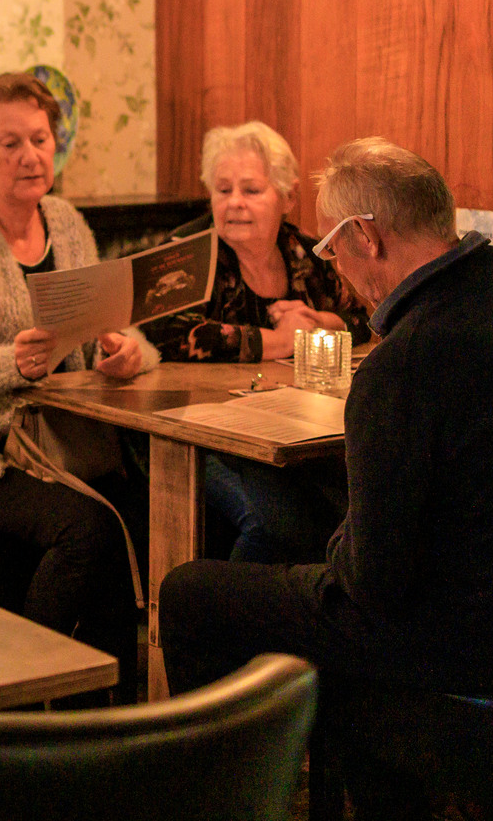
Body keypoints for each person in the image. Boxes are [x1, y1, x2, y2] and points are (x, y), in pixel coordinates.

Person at [159, 138, 493, 813]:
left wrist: (337, 547)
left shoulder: (399, 366)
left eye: (331, 249)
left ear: (365, 237)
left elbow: (372, 585)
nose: (334, 268)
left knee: (192, 592)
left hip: (464, 648)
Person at [0, 72, 154, 696]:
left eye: (39, 139)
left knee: (144, 512)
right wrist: (12, 363)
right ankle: (16, 693)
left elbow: (109, 329)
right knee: (87, 530)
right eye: (10, 142)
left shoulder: (66, 222)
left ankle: (112, 716)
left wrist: (125, 353)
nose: (29, 156)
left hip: (57, 439)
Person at [142, 121, 371, 563]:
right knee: (270, 523)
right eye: (223, 190)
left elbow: (360, 318)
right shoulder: (186, 253)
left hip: (294, 431)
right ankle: (229, 622)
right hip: (195, 433)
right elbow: (167, 333)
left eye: (251, 190)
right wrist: (280, 339)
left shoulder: (306, 252)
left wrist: (322, 322)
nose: (234, 204)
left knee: (348, 507)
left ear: (287, 199)